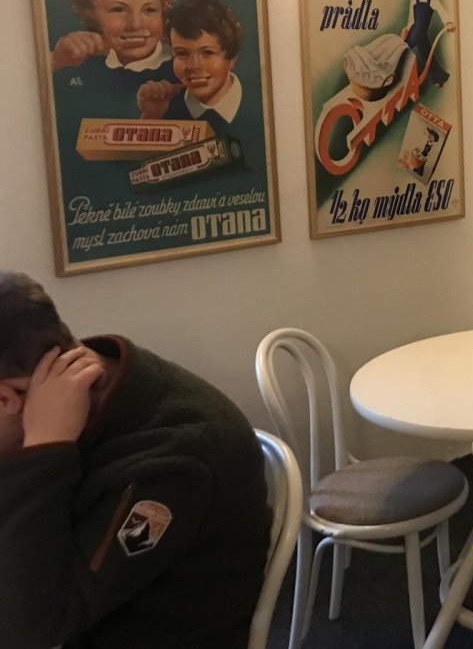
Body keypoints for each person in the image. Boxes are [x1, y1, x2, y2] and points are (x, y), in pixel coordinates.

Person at [0, 271, 270, 648]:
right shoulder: (95, 385)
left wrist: (45, 447)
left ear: (8, 399)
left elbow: (30, 627)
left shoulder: (176, 461)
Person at [51, 0, 191, 119]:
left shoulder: (184, 70)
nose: (135, 25)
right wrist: (55, 61)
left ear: (163, 11)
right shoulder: (78, 65)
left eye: (149, 10)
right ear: (91, 12)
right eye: (118, 9)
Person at [136, 0, 244, 128]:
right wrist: (151, 117)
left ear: (231, 58)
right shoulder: (166, 107)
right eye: (182, 53)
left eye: (207, 53)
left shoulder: (259, 102)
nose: (194, 66)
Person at [401, 0, 456, 89]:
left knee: (427, 54)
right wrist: (405, 30)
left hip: (422, 35)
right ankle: (398, 79)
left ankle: (438, 78)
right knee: (401, 52)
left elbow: (443, 13)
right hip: (413, 34)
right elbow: (411, 20)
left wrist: (448, 23)